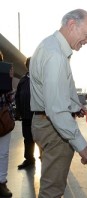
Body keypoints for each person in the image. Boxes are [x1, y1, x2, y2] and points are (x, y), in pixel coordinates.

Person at [29, 9, 87, 197]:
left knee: (50, 182)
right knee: (52, 190)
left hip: (43, 123)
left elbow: (57, 91)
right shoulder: (56, 56)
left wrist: (75, 106)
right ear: (72, 25)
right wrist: (82, 146)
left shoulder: (50, 46)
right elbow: (57, 110)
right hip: (53, 128)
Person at [15, 57, 41, 170]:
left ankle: (44, 156)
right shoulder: (22, 80)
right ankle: (29, 159)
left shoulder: (41, 78)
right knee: (27, 138)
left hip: (39, 115)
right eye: (30, 64)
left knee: (41, 137)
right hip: (25, 115)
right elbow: (17, 96)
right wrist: (18, 111)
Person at [0, 50, 14, 197]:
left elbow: (11, 98)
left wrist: (9, 81)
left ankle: (2, 183)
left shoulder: (5, 75)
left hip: (4, 118)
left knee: (3, 152)